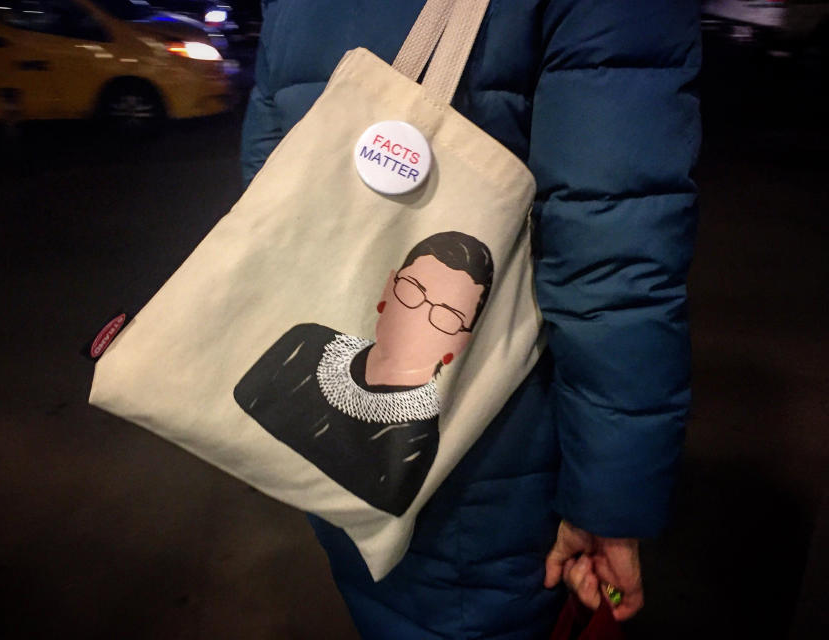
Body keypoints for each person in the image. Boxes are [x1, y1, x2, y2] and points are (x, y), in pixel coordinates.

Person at [240, 0, 701, 637]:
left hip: (333, 478)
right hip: (495, 468)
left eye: (446, 313)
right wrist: (607, 499)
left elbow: (267, 181)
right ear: (389, 293)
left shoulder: (305, 357)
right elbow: (611, 258)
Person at [234, 231, 493, 516]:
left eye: (447, 315)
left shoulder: (415, 444)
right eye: (411, 289)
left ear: (459, 343)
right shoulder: (305, 341)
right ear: (387, 291)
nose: (417, 317)